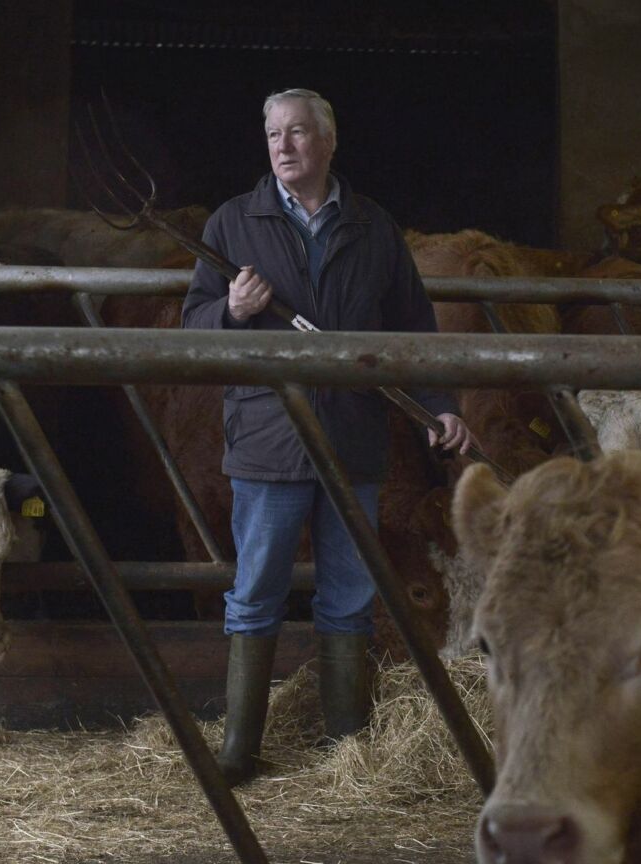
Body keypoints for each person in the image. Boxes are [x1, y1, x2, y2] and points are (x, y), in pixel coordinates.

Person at [183, 88, 475, 786]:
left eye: (298, 133)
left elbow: (414, 331)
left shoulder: (374, 229)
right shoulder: (233, 222)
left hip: (352, 440)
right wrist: (231, 309)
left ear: (329, 142)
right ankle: (238, 750)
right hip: (269, 438)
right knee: (256, 592)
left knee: (347, 593)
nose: (284, 146)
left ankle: (348, 749)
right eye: (274, 135)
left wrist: (439, 405)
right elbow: (190, 329)